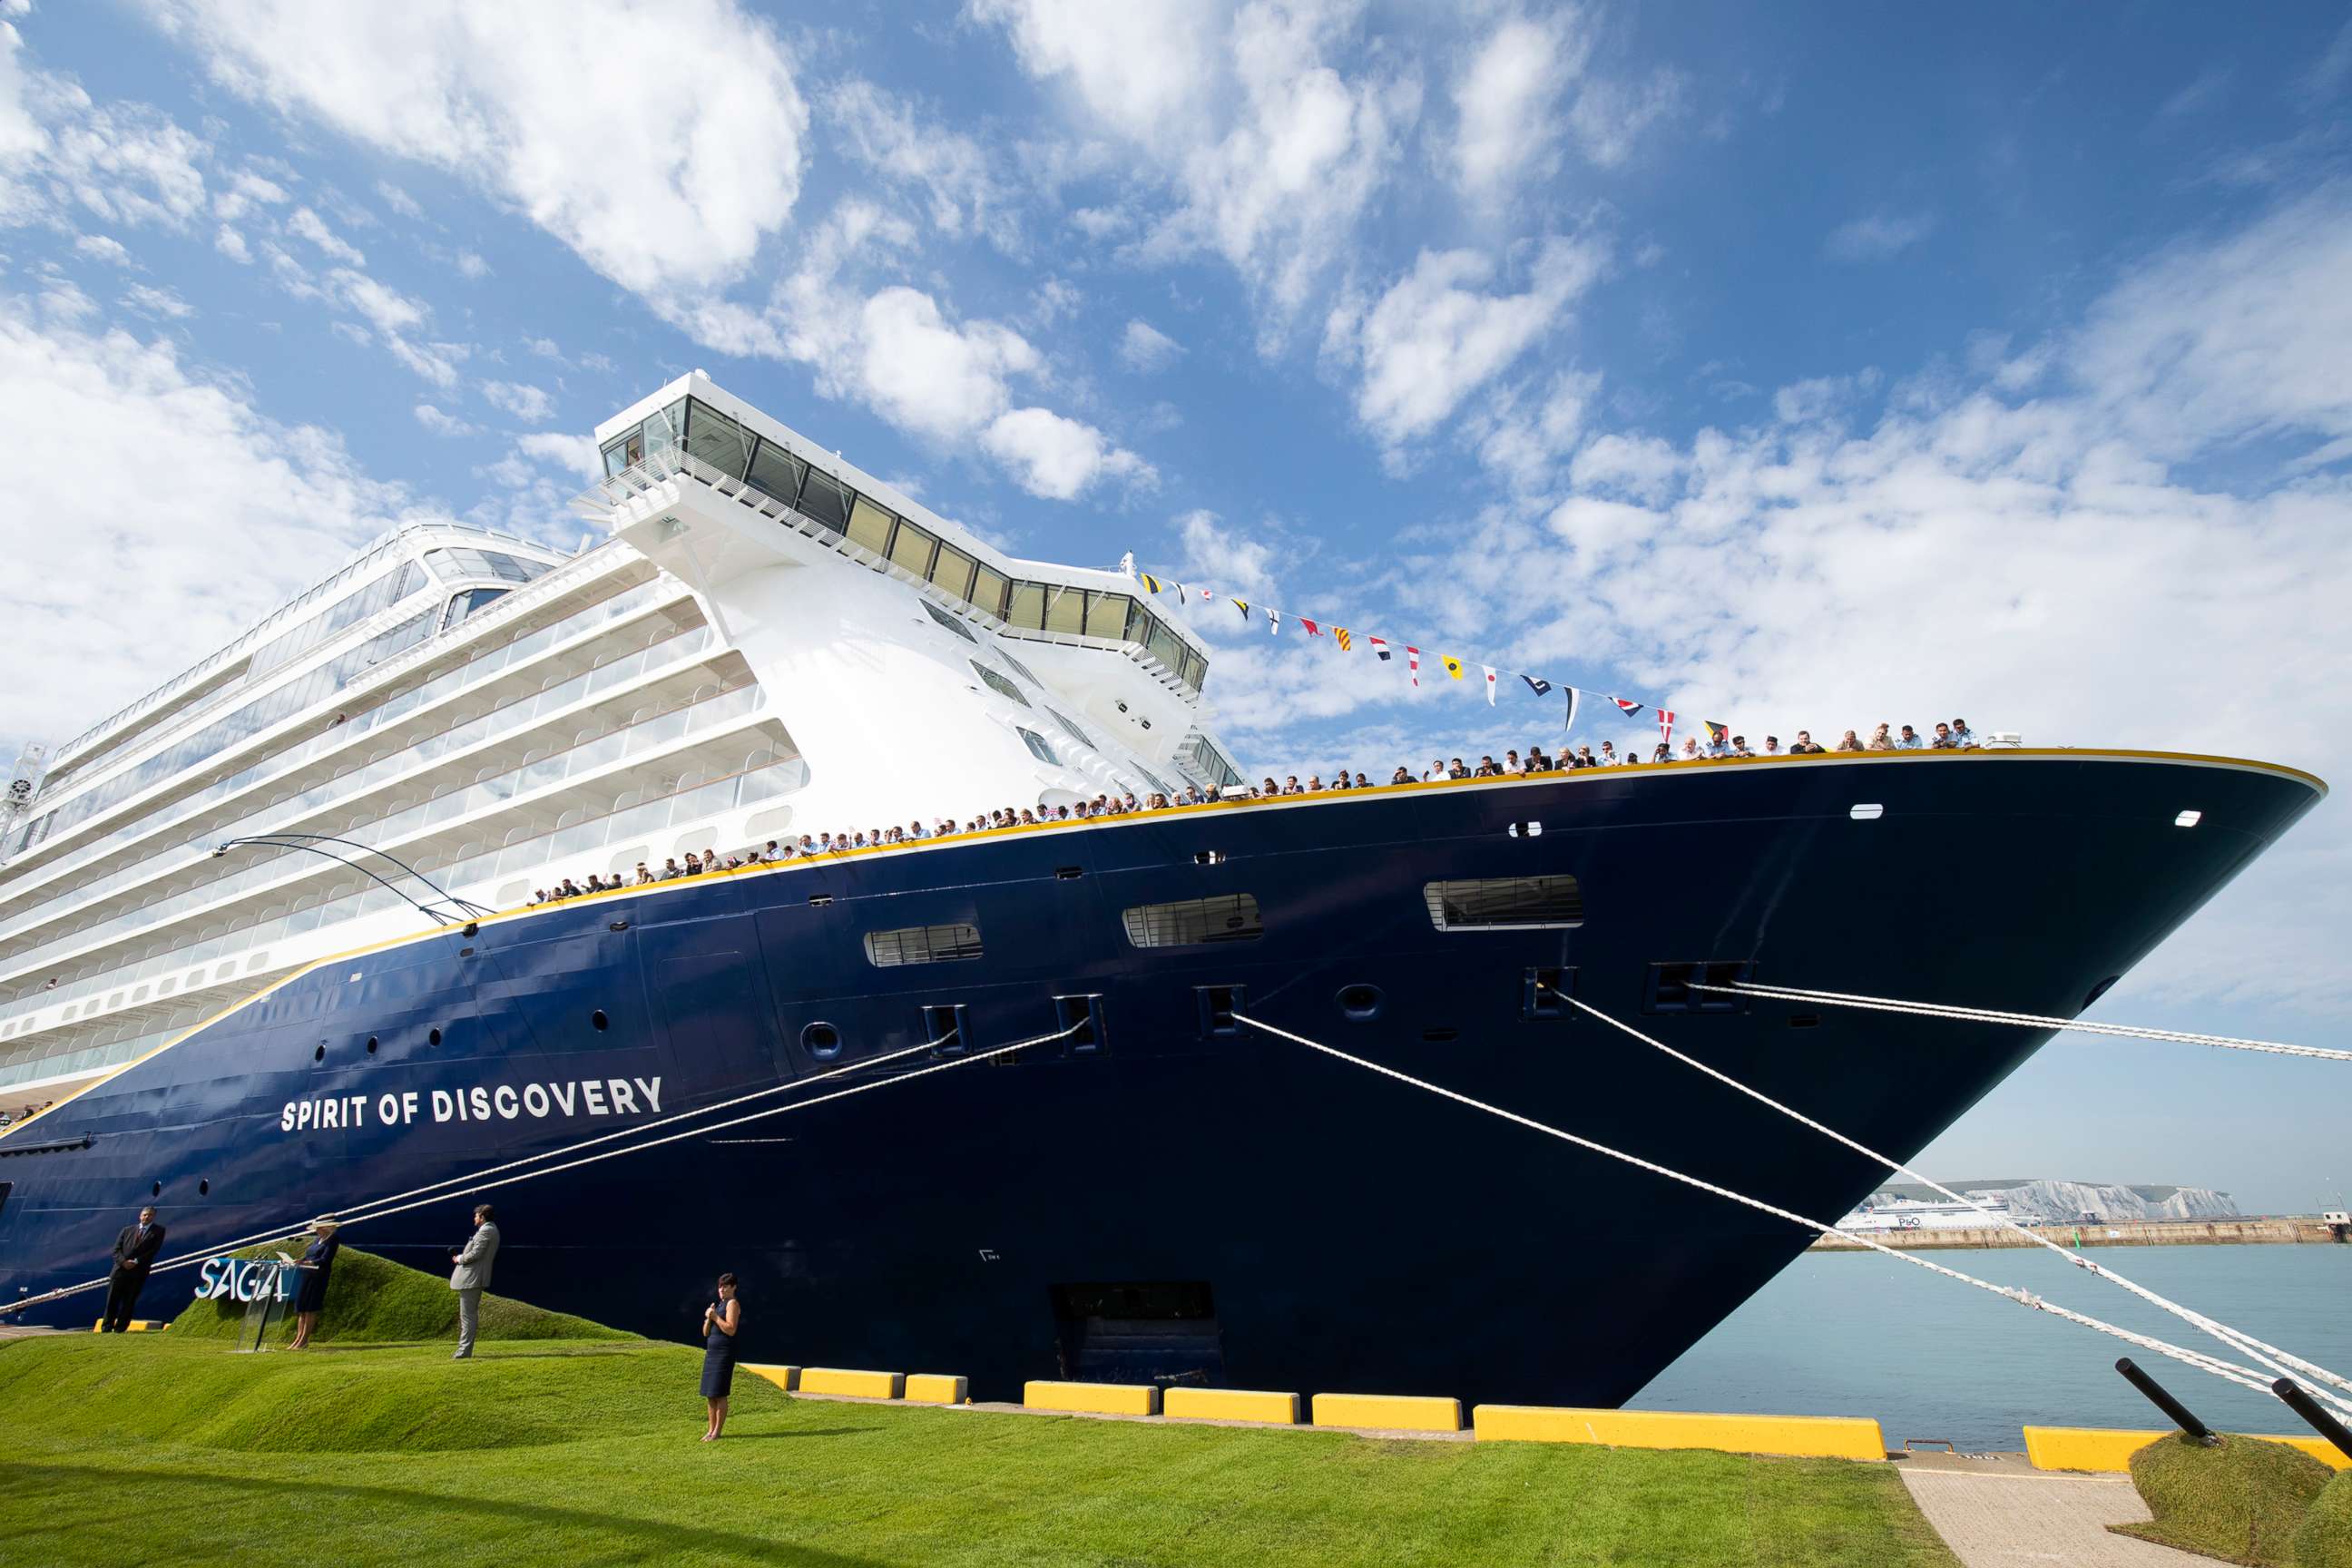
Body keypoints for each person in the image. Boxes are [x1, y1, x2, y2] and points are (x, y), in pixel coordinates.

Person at [448, 1203, 501, 1359]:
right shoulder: (490, 1230)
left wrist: (459, 1258)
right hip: (473, 1278)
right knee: (468, 1315)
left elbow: (476, 1254)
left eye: (476, 1216)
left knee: (468, 1316)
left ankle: (464, 1352)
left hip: (472, 1279)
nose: (474, 1218)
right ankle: (464, 1350)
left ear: (482, 1217)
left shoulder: (486, 1231)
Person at [103, 1206, 164, 1332]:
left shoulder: (158, 1231)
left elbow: (153, 1250)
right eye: (145, 1214)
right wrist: (124, 1262)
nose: (147, 1217)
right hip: (119, 1270)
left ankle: (121, 1328)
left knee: (129, 1302)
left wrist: (136, 1261)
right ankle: (107, 1327)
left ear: (154, 1217)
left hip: (138, 1272)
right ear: (140, 1215)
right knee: (112, 1301)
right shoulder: (127, 1230)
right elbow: (116, 1250)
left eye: (150, 1215)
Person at [288, 1216, 341, 1350]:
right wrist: (299, 1260)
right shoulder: (318, 1240)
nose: (316, 1231)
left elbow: (325, 1259)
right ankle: (298, 1338)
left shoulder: (332, 1240)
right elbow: (309, 1255)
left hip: (319, 1276)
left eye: (318, 1228)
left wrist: (308, 1263)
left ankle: (304, 1340)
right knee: (302, 1308)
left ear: (325, 1228)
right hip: (307, 1275)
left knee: (311, 1309)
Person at [701, 1272, 743, 1441]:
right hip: (711, 1354)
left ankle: (717, 1431)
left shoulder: (732, 1304)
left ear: (733, 1287)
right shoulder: (718, 1304)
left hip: (724, 1354)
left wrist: (716, 1317)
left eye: (725, 1286)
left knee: (720, 1393)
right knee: (710, 1394)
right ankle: (710, 1430)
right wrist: (708, 1318)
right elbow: (705, 1333)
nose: (721, 1289)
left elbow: (731, 1329)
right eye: (720, 1286)